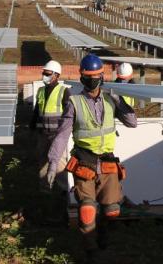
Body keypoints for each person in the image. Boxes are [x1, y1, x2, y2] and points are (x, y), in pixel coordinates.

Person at [47, 54, 137, 260]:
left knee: (112, 210)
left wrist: (119, 103)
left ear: (102, 76)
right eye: (88, 76)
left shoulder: (111, 99)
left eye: (96, 76)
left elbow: (133, 123)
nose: (92, 80)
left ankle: (104, 232)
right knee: (87, 209)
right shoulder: (74, 102)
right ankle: (91, 250)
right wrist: (53, 163)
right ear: (81, 77)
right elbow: (62, 135)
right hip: (84, 162)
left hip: (107, 163)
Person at [30, 60, 70, 220]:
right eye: (44, 73)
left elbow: (68, 115)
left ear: (56, 75)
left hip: (57, 137)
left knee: (59, 167)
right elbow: (36, 112)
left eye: (48, 73)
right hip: (43, 136)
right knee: (43, 166)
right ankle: (46, 197)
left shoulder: (64, 92)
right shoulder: (40, 91)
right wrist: (31, 129)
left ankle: (64, 197)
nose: (44, 76)